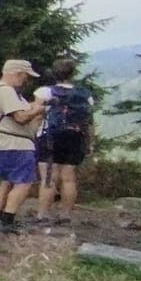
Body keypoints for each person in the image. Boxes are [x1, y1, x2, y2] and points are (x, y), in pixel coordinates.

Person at [0, 58, 47, 234]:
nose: (26, 80)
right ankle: (7, 222)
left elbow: (19, 111)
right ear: (18, 73)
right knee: (23, 183)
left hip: (2, 144)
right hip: (15, 145)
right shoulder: (6, 91)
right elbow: (20, 117)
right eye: (26, 76)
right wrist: (39, 110)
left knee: (6, 182)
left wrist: (33, 107)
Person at [34, 56, 92, 225]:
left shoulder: (44, 92)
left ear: (54, 73)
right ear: (73, 73)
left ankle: (43, 214)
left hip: (50, 137)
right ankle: (65, 215)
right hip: (75, 137)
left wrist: (31, 135)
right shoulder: (85, 95)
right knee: (69, 178)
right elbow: (89, 122)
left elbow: (37, 116)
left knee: (49, 178)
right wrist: (90, 142)